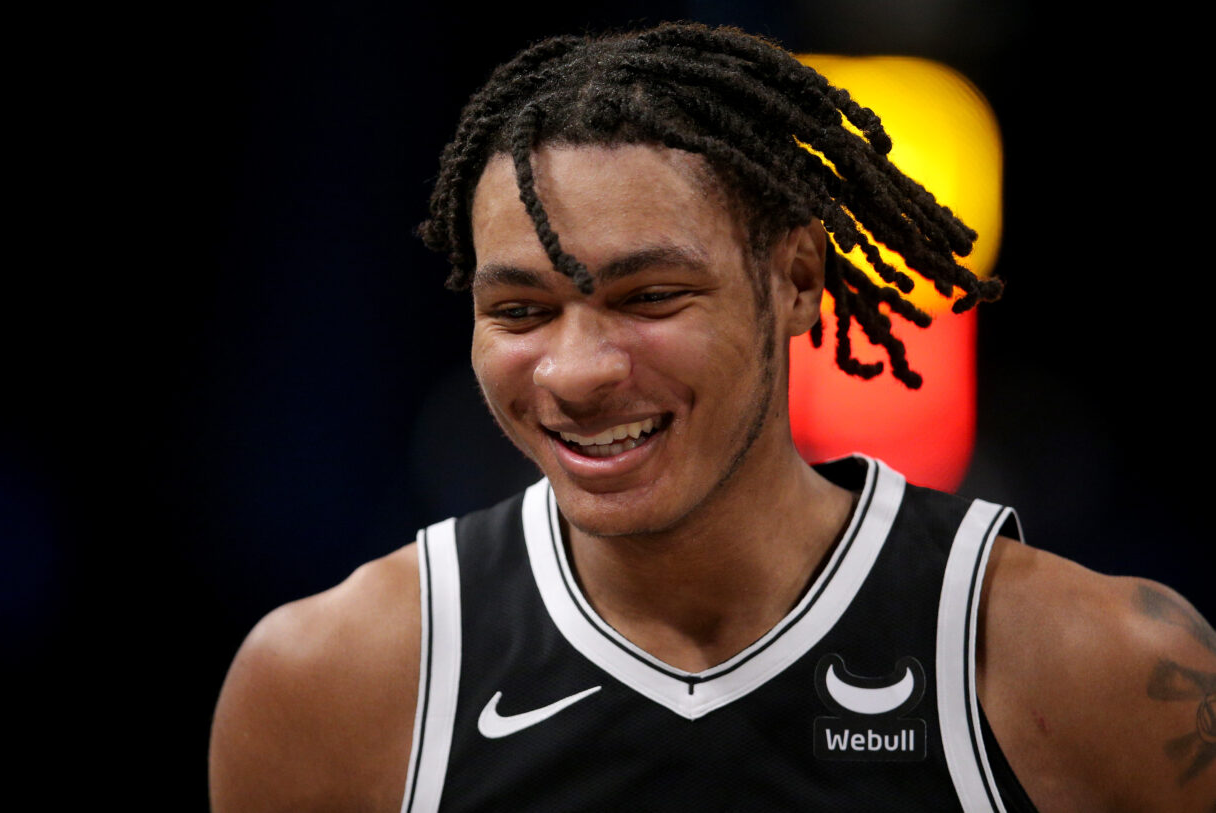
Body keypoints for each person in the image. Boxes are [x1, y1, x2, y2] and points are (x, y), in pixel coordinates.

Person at [209, 23, 1216, 812]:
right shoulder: (329, 685)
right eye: (518, 312)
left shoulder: (1097, 669)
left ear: (796, 281)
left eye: (648, 297)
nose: (576, 370)